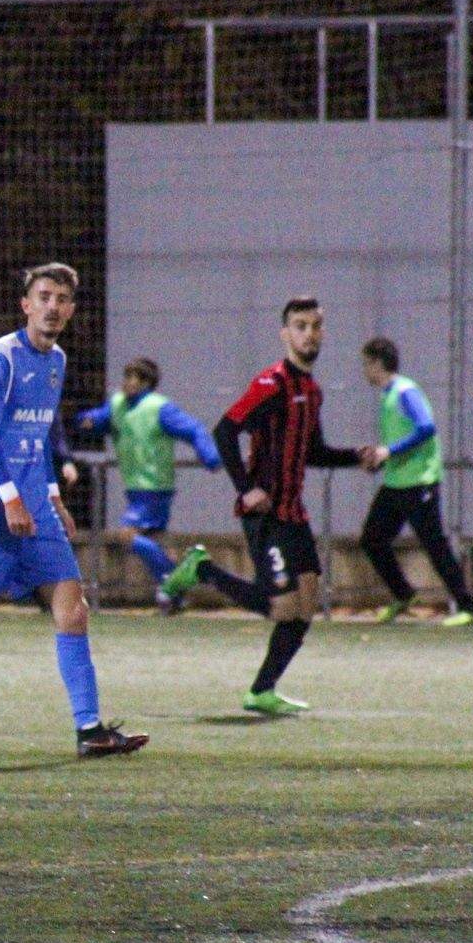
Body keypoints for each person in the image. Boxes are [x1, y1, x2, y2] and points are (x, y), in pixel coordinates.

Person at [0, 264, 148, 759]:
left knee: (73, 608)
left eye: (62, 298)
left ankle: (89, 730)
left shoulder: (57, 361)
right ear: (26, 304)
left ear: (70, 309)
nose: (53, 306)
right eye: (44, 296)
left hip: (33, 507)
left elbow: (40, 434)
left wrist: (50, 496)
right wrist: (9, 497)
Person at [161, 296, 364, 715]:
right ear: (285, 334)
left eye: (315, 326)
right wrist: (245, 488)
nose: (309, 333)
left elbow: (314, 452)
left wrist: (358, 457)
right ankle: (201, 569)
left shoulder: (311, 390)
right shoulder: (271, 385)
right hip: (266, 515)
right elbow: (224, 431)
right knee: (280, 606)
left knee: (307, 602)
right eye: (300, 326)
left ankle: (261, 692)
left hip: (294, 512)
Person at [72, 357, 220, 608]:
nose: (129, 383)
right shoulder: (119, 404)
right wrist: (86, 420)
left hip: (154, 487)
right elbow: (100, 418)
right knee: (156, 541)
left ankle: (172, 582)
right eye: (127, 376)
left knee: (126, 534)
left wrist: (208, 453)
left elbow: (193, 429)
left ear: (148, 383)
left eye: (137, 378)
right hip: (135, 487)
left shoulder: (159, 408)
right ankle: (175, 594)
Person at [353, 337, 473, 625]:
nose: (364, 371)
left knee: (434, 545)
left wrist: (388, 451)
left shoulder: (405, 391)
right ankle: (403, 594)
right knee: (372, 539)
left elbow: (426, 428)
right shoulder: (388, 395)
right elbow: (400, 438)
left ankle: (467, 607)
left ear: (377, 363)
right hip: (397, 481)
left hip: (420, 482)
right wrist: (381, 460)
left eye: (366, 364)